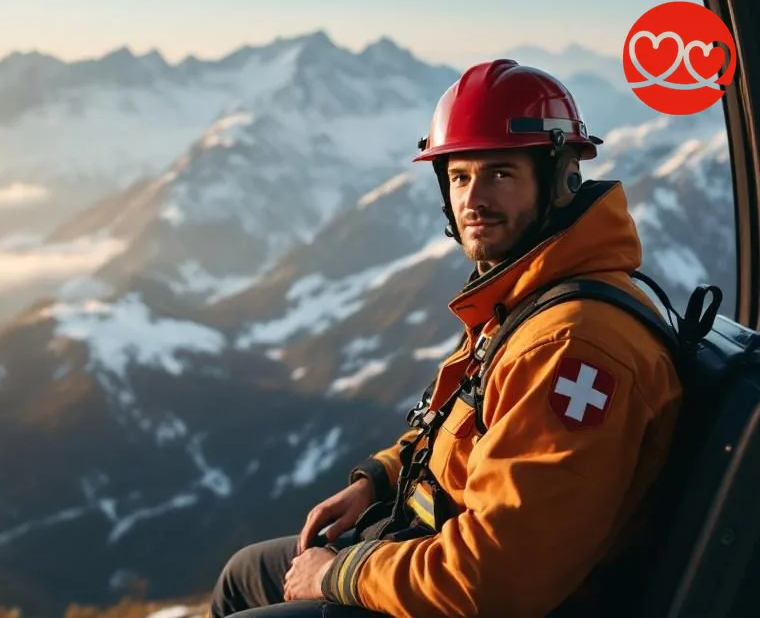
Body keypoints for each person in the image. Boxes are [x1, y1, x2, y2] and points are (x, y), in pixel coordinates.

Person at [206, 59, 683, 618]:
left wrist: (338, 573)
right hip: (433, 548)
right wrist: (379, 480)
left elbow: (497, 579)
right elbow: (462, 429)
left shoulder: (572, 349)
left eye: (500, 173)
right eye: (459, 176)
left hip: (481, 596)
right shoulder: (524, 298)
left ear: (560, 180)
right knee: (246, 573)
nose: (474, 199)